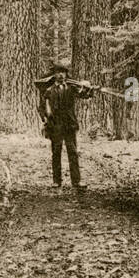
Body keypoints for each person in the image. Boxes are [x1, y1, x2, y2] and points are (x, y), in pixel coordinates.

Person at [35, 64, 92, 192]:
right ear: (54, 75)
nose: (61, 75)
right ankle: (56, 181)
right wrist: (44, 118)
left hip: (69, 125)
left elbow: (85, 95)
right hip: (55, 126)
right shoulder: (48, 90)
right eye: (58, 72)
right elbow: (41, 106)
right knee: (56, 152)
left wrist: (88, 88)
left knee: (73, 152)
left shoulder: (72, 88)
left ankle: (76, 181)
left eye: (63, 73)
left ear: (66, 74)